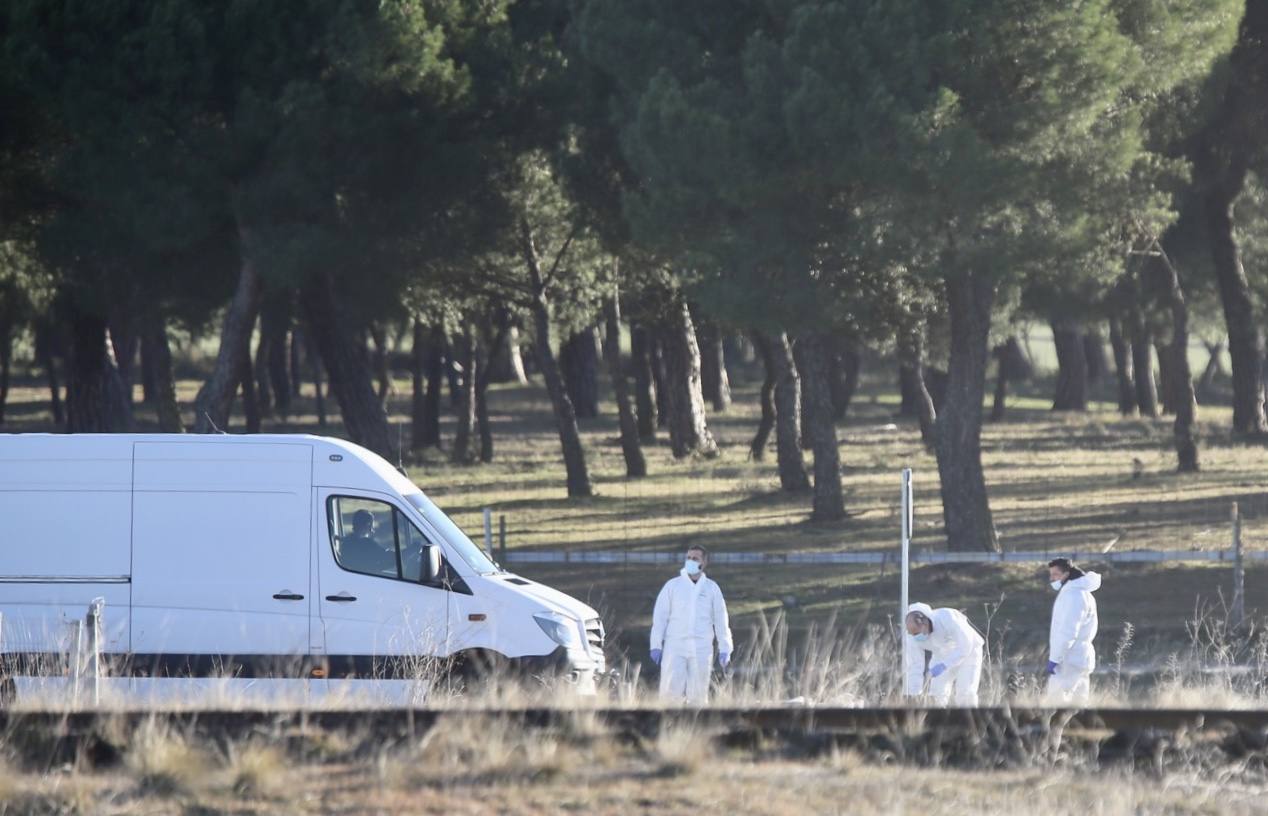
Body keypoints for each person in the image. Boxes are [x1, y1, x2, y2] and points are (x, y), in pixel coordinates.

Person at [649, 545, 733, 705]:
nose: (690, 561)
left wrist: (725, 648)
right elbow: (660, 617)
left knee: (699, 696)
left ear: (704, 562)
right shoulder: (672, 586)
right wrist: (656, 644)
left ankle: (697, 727)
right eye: (688, 558)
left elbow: (721, 620)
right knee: (670, 695)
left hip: (702, 648)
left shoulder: (711, 588)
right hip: (675, 646)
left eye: (695, 558)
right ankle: (667, 726)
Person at [904, 602, 985, 706]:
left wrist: (944, 665)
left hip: (969, 653)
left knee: (965, 693)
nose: (915, 636)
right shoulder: (912, 638)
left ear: (924, 623)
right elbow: (914, 666)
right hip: (940, 656)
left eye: (917, 632)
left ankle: (969, 720)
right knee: (936, 695)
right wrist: (914, 694)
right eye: (912, 633)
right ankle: (938, 720)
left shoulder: (946, 617)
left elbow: (965, 645)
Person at [1045, 557, 1101, 706]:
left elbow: (1068, 632)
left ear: (1067, 574)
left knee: (1056, 705)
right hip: (1080, 657)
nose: (1052, 579)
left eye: (1055, 574)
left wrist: (1055, 658)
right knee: (1079, 703)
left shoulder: (1073, 596)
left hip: (1069, 658)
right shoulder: (1082, 593)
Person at [339, 509, 396, 575]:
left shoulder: (347, 542)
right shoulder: (368, 545)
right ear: (368, 524)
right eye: (372, 523)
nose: (372, 527)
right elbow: (390, 558)